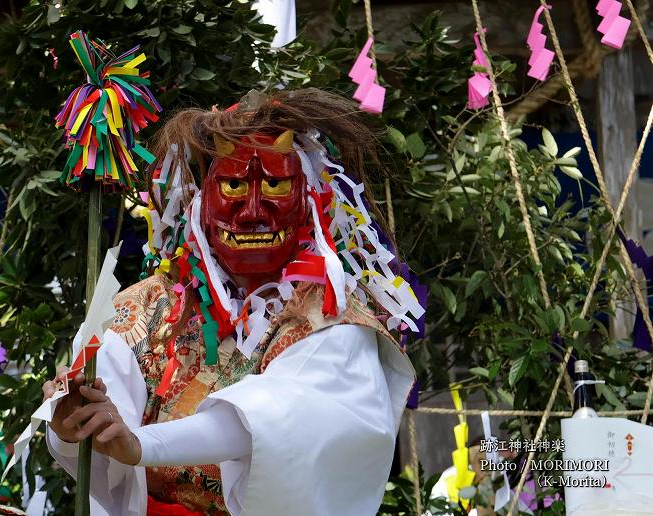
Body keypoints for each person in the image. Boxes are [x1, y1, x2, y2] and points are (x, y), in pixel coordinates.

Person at [41, 88, 424, 516]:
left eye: (276, 185)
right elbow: (99, 406)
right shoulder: (150, 303)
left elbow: (276, 422)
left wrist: (140, 445)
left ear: (309, 202)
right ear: (201, 202)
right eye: (234, 185)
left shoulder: (332, 314)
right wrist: (72, 422)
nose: (253, 212)